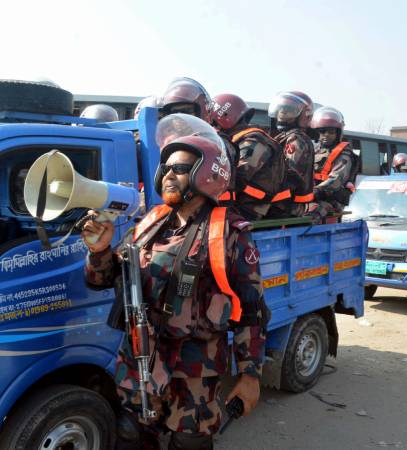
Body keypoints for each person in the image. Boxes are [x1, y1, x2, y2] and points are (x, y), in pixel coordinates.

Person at [83, 114, 268, 450]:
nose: (168, 174)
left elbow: (251, 310)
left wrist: (250, 374)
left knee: (189, 442)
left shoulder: (228, 232)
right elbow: (107, 279)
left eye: (179, 168)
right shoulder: (151, 223)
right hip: (140, 357)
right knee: (132, 435)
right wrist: (99, 251)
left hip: (194, 368)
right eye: (165, 167)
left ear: (206, 173)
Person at [211, 93, 287, 220]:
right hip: (240, 204)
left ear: (224, 118)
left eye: (213, 122)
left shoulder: (254, 141)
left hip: (251, 208)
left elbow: (240, 175)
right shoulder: (238, 139)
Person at [266, 91, 316, 218]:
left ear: (304, 115)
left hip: (287, 206)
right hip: (281, 203)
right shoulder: (281, 136)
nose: (282, 113)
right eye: (281, 109)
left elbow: (290, 176)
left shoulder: (297, 139)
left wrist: (265, 196)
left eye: (289, 110)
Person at [305, 106, 358, 219]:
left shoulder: (344, 153)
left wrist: (315, 192)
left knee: (309, 214)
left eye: (331, 131)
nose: (326, 135)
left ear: (338, 133)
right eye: (322, 131)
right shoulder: (314, 149)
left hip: (331, 200)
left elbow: (336, 180)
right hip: (311, 195)